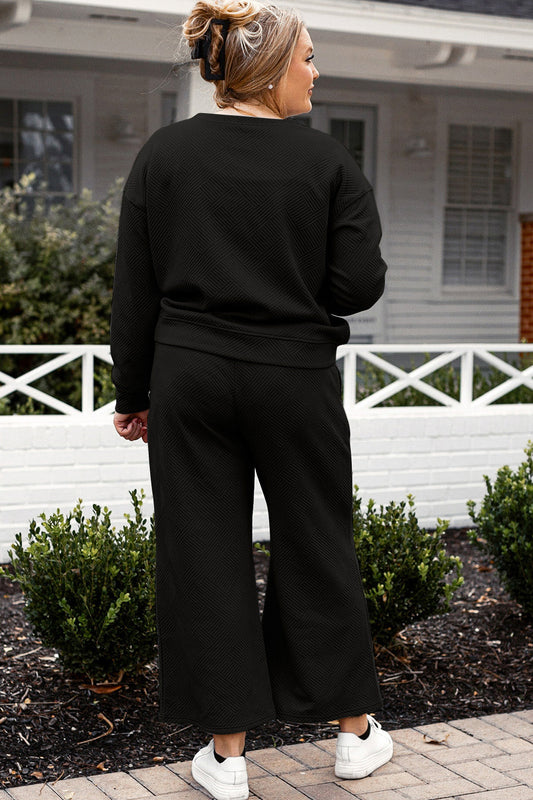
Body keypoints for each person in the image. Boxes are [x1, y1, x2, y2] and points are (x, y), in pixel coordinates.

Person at [110, 2, 393, 799]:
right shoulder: (327, 164)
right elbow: (357, 285)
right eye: (308, 57)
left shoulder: (165, 155)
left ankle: (228, 758)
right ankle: (352, 736)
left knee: (203, 553)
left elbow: (135, 287)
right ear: (270, 71)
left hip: (191, 377)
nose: (316, 70)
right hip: (292, 378)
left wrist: (134, 392)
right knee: (315, 541)